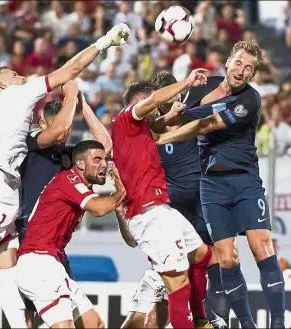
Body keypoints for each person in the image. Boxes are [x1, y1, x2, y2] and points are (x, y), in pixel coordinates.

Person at [0, 23, 131, 329]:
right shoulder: (14, 102)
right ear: (4, 86)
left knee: (5, 259)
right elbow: (67, 74)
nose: (22, 77)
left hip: (13, 198)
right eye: (15, 76)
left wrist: (81, 107)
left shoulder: (14, 123)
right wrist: (105, 42)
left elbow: (102, 146)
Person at [156, 41, 285, 329]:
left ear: (253, 76)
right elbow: (176, 117)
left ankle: (278, 322)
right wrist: (166, 118)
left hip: (244, 180)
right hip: (211, 185)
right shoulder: (203, 87)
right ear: (227, 61)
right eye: (239, 63)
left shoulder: (250, 100)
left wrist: (164, 134)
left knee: (261, 246)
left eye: (249, 68)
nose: (242, 71)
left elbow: (205, 124)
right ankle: (248, 325)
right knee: (226, 259)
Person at [121, 72, 228, 329]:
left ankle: (213, 319)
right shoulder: (143, 132)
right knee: (165, 297)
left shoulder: (188, 116)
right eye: (161, 99)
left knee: (214, 260)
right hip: (167, 218)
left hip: (197, 210)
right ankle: (203, 319)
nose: (166, 103)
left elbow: (217, 89)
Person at [17, 88, 111, 328]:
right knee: (27, 317)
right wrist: (70, 95)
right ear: (41, 123)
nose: (65, 133)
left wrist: (84, 106)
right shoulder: (31, 144)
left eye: (69, 128)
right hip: (27, 239)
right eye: (60, 125)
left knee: (68, 317)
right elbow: (57, 131)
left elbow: (104, 146)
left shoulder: (70, 156)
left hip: (53, 247)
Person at [16, 140, 125, 328]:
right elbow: (99, 209)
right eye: (97, 159)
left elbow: (106, 141)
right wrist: (123, 189)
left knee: (94, 324)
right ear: (80, 164)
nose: (104, 164)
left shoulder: (78, 187)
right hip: (38, 264)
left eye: (105, 159)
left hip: (51, 264)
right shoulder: (69, 180)